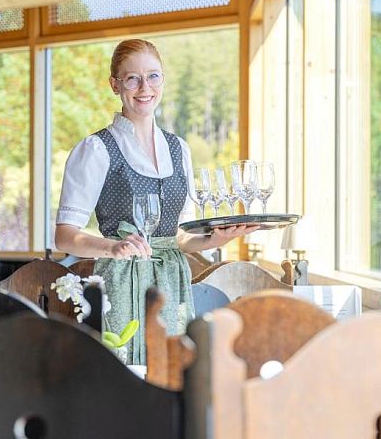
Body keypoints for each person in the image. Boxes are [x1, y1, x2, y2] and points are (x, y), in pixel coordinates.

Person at [55, 39, 258, 364]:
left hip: (172, 281)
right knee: (125, 373)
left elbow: (178, 237)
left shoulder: (179, 149)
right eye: (132, 78)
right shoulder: (95, 149)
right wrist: (112, 248)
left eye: (153, 76)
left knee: (171, 370)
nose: (144, 87)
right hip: (122, 280)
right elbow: (65, 235)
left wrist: (214, 239)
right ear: (115, 84)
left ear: (163, 80)